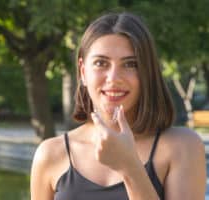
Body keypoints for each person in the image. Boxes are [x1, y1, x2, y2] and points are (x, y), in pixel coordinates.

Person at [30, 12, 206, 200]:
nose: (113, 78)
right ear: (83, 71)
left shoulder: (182, 146)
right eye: (101, 63)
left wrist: (130, 167)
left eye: (130, 64)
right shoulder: (50, 154)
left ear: (147, 73)